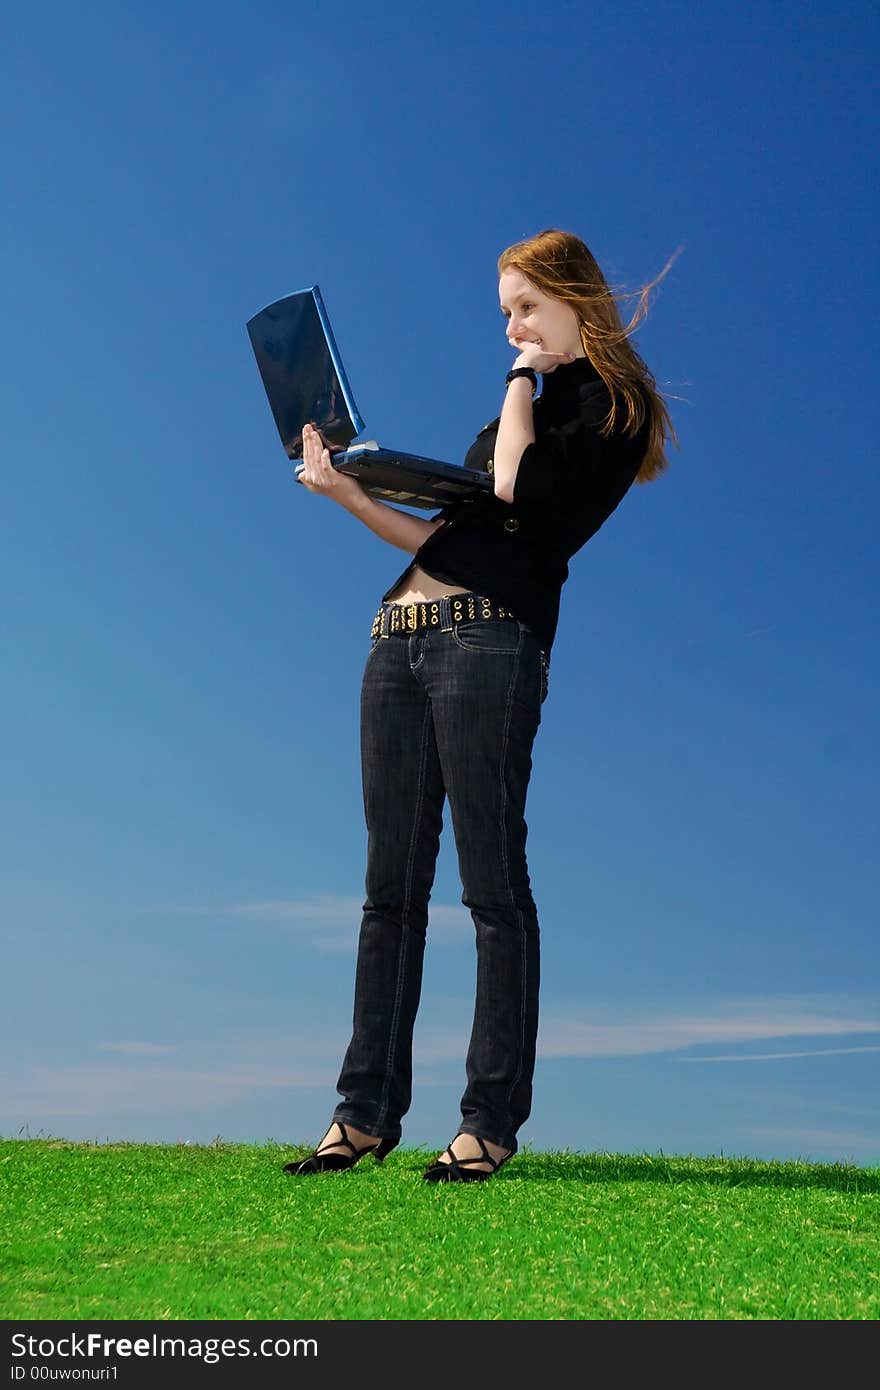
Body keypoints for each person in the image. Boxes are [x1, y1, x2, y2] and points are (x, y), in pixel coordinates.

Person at [284, 228, 680, 1182]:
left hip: (490, 645)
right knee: (390, 893)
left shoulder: (612, 410)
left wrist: (520, 379)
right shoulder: (526, 406)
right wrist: (342, 490)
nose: (510, 327)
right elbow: (434, 532)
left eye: (523, 309)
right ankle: (364, 1115)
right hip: (399, 641)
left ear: (574, 304)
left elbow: (511, 485)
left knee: (492, 891)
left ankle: (489, 1124)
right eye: (505, 313)